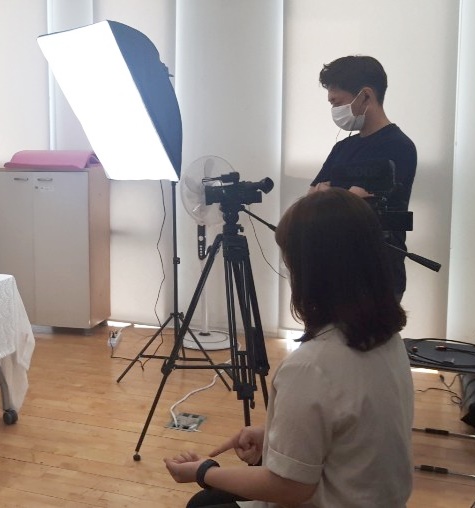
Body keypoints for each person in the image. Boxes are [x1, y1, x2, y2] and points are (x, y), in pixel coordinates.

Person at [164, 188, 414, 508]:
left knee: (202, 503)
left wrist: (204, 471)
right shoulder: (388, 340)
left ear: (312, 273)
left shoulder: (311, 367)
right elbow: (351, 428)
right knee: (208, 501)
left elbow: (290, 488)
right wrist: (272, 436)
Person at [309, 55, 417, 299]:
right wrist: (341, 195)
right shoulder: (342, 148)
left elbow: (355, 207)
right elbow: (312, 199)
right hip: (333, 268)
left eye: (337, 102)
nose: (334, 110)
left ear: (366, 95)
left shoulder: (398, 146)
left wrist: (330, 193)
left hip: (377, 274)